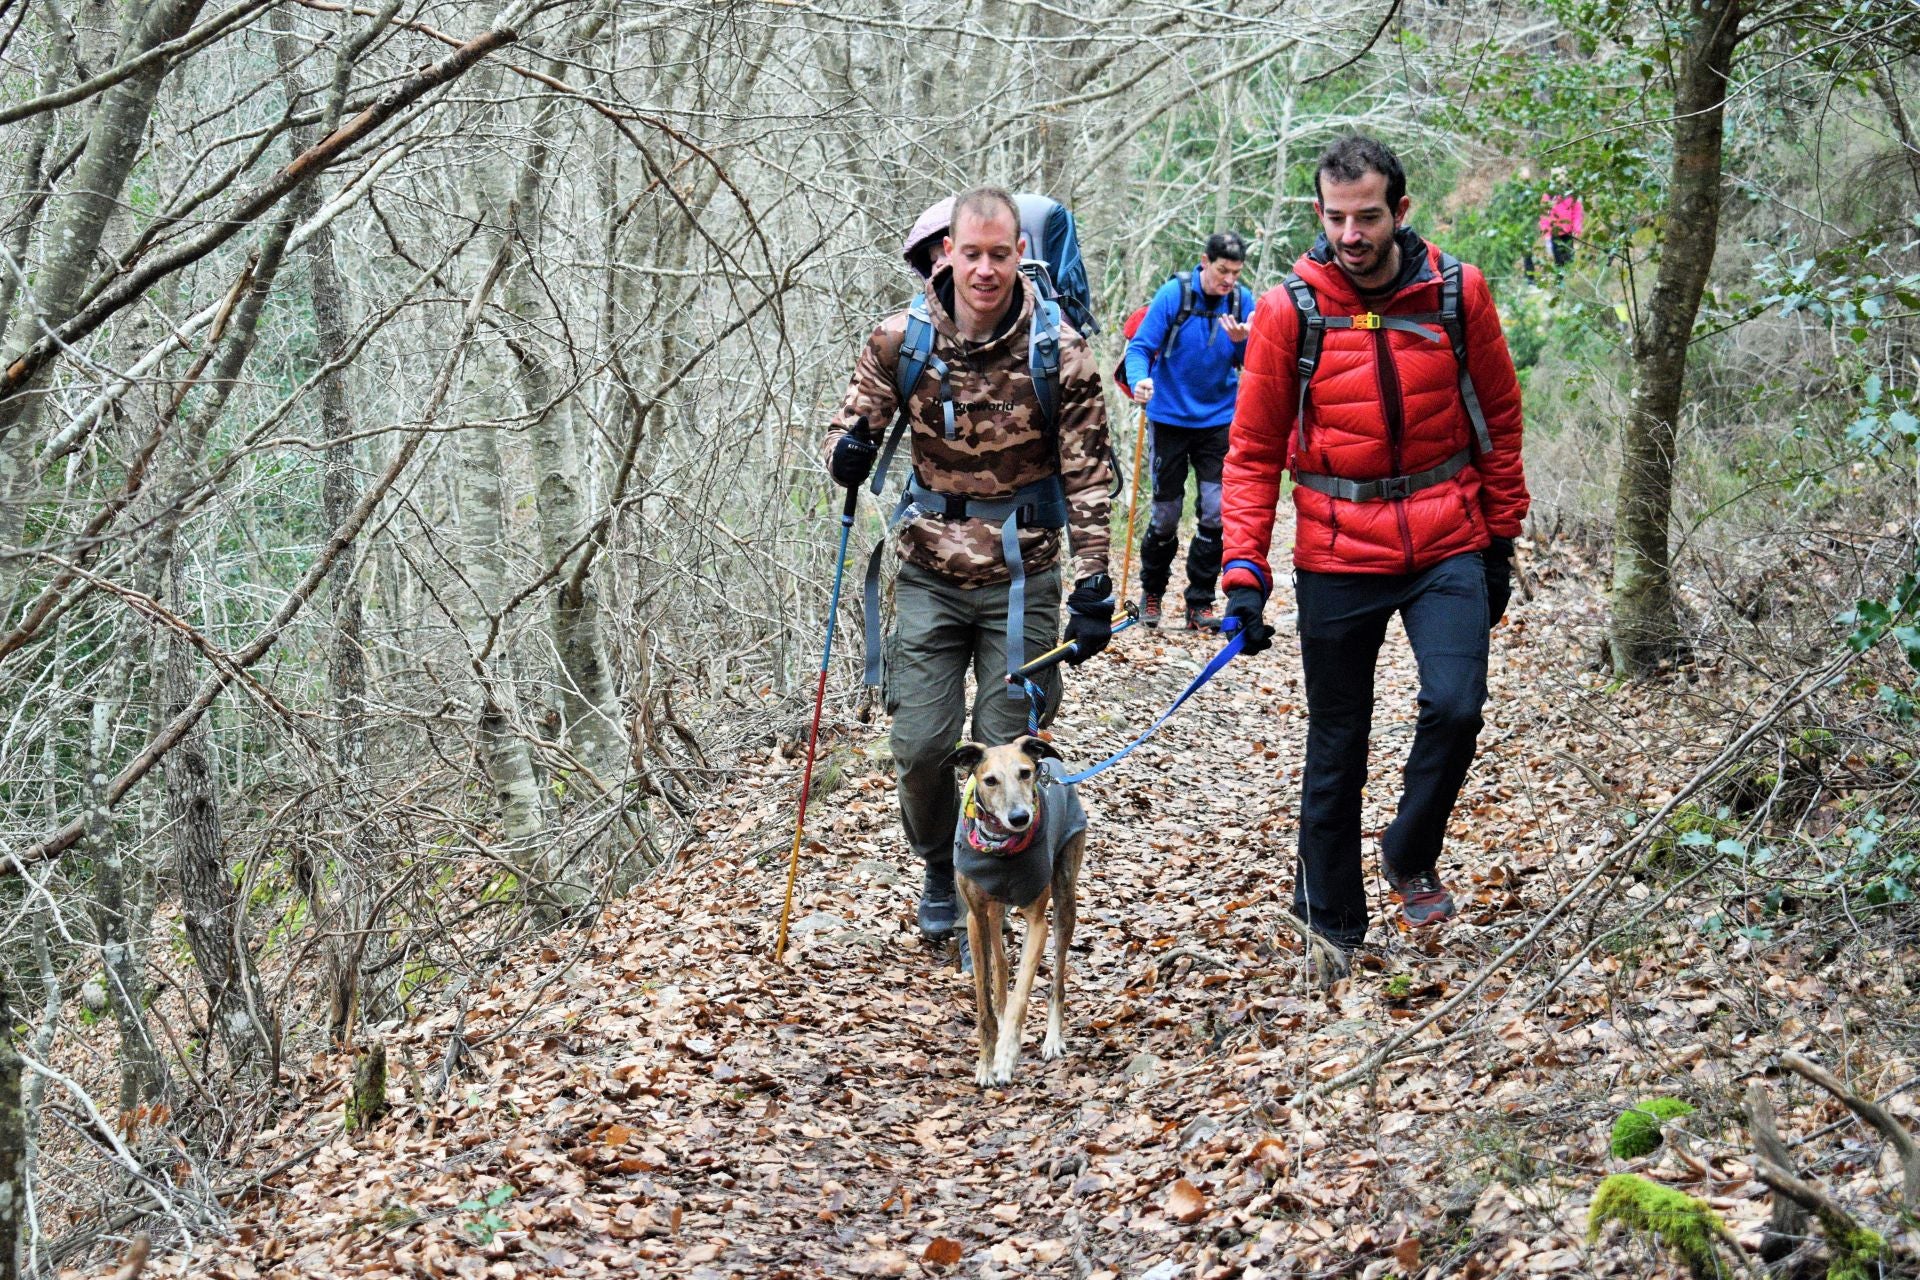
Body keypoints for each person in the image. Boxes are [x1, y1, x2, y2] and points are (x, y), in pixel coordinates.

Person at [1218, 136, 1530, 962]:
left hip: (1447, 536)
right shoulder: (1292, 309)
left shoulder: (1459, 295)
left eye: (1367, 217)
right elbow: (1252, 450)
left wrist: (1500, 539)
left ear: (1401, 211)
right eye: (1335, 218)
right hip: (1335, 547)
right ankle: (1332, 928)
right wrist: (1243, 570)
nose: (1350, 235)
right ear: (1319, 214)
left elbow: (1498, 423)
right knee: (1338, 744)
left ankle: (1408, 851)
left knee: (1458, 706)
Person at [824, 186, 1114, 944]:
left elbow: (1088, 473)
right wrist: (848, 452)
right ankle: (937, 864)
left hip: (1026, 578)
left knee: (1008, 753)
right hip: (930, 573)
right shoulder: (901, 339)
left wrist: (1095, 582)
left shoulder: (1061, 351)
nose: (985, 270)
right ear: (946, 252)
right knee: (920, 747)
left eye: (1000, 254)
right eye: (971, 253)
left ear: (1021, 253)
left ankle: (990, 890)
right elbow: (850, 429)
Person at [1122, 233, 1256, 630]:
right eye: (1222, 271)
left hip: (1218, 419)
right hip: (1169, 419)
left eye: (1235, 272)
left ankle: (1200, 600)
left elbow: (1253, 362)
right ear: (1204, 262)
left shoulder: (1240, 301)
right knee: (1166, 514)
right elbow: (1140, 348)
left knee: (1216, 512)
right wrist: (1140, 380)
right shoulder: (1174, 295)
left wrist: (1243, 344)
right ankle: (1152, 593)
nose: (1228, 280)